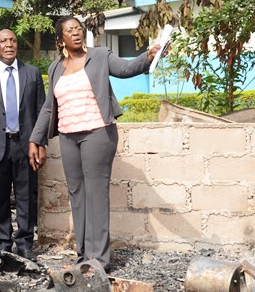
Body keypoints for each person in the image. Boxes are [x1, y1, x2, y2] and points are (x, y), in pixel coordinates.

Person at [28, 15, 162, 271]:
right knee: (77, 195)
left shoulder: (100, 56)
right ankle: (84, 256)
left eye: (79, 28)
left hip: (97, 133)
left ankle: (99, 259)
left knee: (96, 195)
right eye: (70, 30)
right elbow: (49, 107)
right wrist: (35, 138)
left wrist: (147, 57)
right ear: (61, 39)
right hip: (69, 137)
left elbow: (124, 69)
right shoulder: (55, 68)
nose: (76, 33)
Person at [0, 29, 46, 261]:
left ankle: (25, 243)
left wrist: (40, 143)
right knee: (0, 197)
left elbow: (42, 112)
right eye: (3, 41)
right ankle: (3, 241)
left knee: (26, 196)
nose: (9, 44)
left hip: (26, 146)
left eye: (13, 40)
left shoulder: (32, 73)